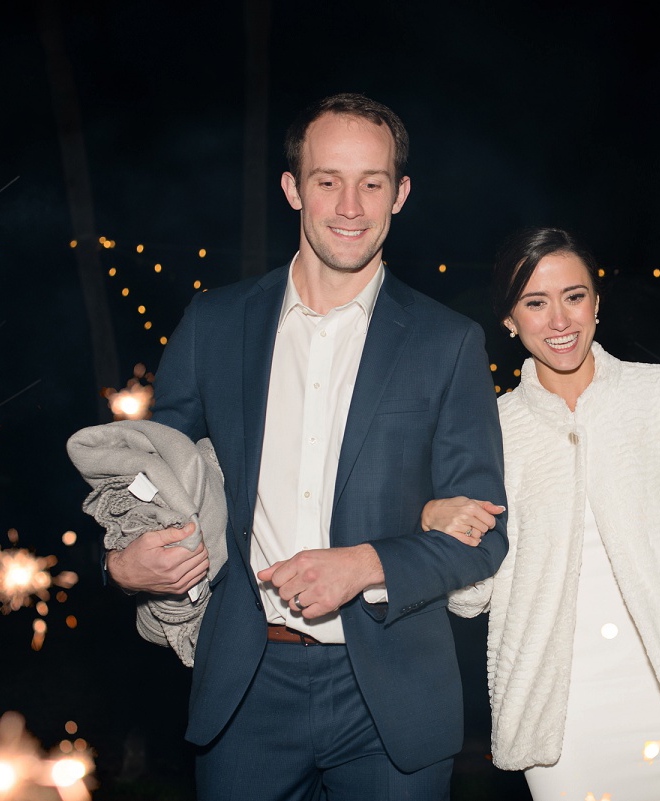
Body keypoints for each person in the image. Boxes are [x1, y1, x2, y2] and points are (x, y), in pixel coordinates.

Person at [100, 93, 509, 800]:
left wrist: (364, 563)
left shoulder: (449, 343)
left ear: (400, 194)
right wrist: (118, 564)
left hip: (392, 697)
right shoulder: (215, 322)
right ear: (293, 188)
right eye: (328, 180)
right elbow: (139, 478)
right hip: (247, 686)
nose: (350, 205)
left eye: (372, 182)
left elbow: (484, 538)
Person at [423, 228, 660, 798]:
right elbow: (470, 598)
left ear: (597, 302)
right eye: (535, 303)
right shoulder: (491, 428)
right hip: (561, 715)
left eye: (574, 296)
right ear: (509, 320)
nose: (559, 320)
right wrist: (438, 523)